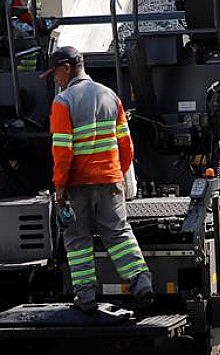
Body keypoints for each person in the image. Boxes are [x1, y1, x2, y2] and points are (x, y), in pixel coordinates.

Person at [45, 46, 154, 312]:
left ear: (67, 68)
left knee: (78, 240)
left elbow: (63, 151)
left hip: (77, 184)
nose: (54, 79)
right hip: (110, 179)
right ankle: (141, 283)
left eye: (55, 73)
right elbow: (126, 145)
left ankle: (85, 298)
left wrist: (60, 186)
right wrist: (117, 172)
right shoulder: (111, 96)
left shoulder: (63, 102)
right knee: (118, 233)